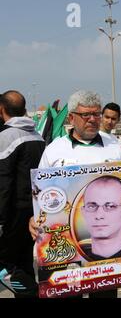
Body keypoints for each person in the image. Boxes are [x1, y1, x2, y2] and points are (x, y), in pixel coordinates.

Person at [29, 90, 121, 298]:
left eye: (96, 114)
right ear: (71, 118)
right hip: (66, 242)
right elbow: (40, 192)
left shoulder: (113, 145)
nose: (93, 120)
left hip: (106, 243)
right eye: (86, 115)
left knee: (104, 294)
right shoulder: (54, 150)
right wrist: (34, 217)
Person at [0, 91, 45, 298]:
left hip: (12, 215)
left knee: (6, 267)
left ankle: (32, 292)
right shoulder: (37, 135)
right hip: (31, 213)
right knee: (25, 262)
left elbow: (4, 182)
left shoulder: (5, 136)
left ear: (2, 109)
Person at [81, 176, 121, 267]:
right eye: (92, 206)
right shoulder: (76, 259)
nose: (99, 216)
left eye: (110, 206)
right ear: (83, 212)